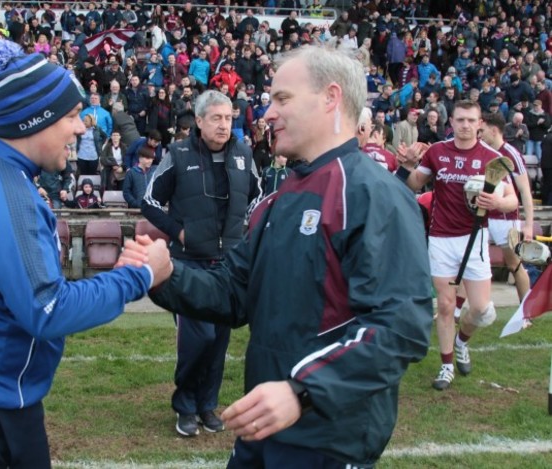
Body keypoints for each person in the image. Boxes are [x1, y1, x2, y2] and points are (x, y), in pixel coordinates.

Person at [130, 46, 432, 466]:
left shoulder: (372, 194)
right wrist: (166, 275)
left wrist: (302, 391)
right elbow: (233, 292)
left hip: (327, 438)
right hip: (263, 428)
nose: (267, 113)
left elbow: (401, 327)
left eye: (282, 99)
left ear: (331, 98)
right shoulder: (281, 196)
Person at [0, 40, 172, 468]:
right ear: (36, 121)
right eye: (70, 116)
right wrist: (139, 275)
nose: (81, 128)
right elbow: (46, 309)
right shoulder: (5, 191)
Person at [141, 90, 261, 438]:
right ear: (200, 121)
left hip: (228, 265)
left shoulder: (243, 154)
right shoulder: (178, 154)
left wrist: (243, 230)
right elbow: (149, 201)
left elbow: (258, 198)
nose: (225, 125)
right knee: (199, 337)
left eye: (229, 118)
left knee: (218, 342)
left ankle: (207, 406)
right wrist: (179, 233)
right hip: (189, 265)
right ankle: (186, 406)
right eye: (217, 118)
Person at [398, 100, 519, 391]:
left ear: (480, 124)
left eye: (471, 120)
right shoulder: (438, 152)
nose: (465, 125)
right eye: (460, 119)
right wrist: (406, 165)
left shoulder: (492, 158)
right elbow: (413, 183)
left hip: (474, 239)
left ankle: (463, 341)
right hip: (440, 239)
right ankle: (446, 365)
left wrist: (497, 202)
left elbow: (512, 200)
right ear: (450, 121)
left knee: (480, 309)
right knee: (445, 305)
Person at [480, 112, 535, 302]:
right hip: (484, 216)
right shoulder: (481, 152)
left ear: (494, 130)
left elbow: (525, 191)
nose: (480, 135)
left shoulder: (511, 154)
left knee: (514, 264)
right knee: (472, 261)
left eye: (483, 130)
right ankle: (458, 310)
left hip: (506, 219)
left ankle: (525, 311)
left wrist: (528, 225)